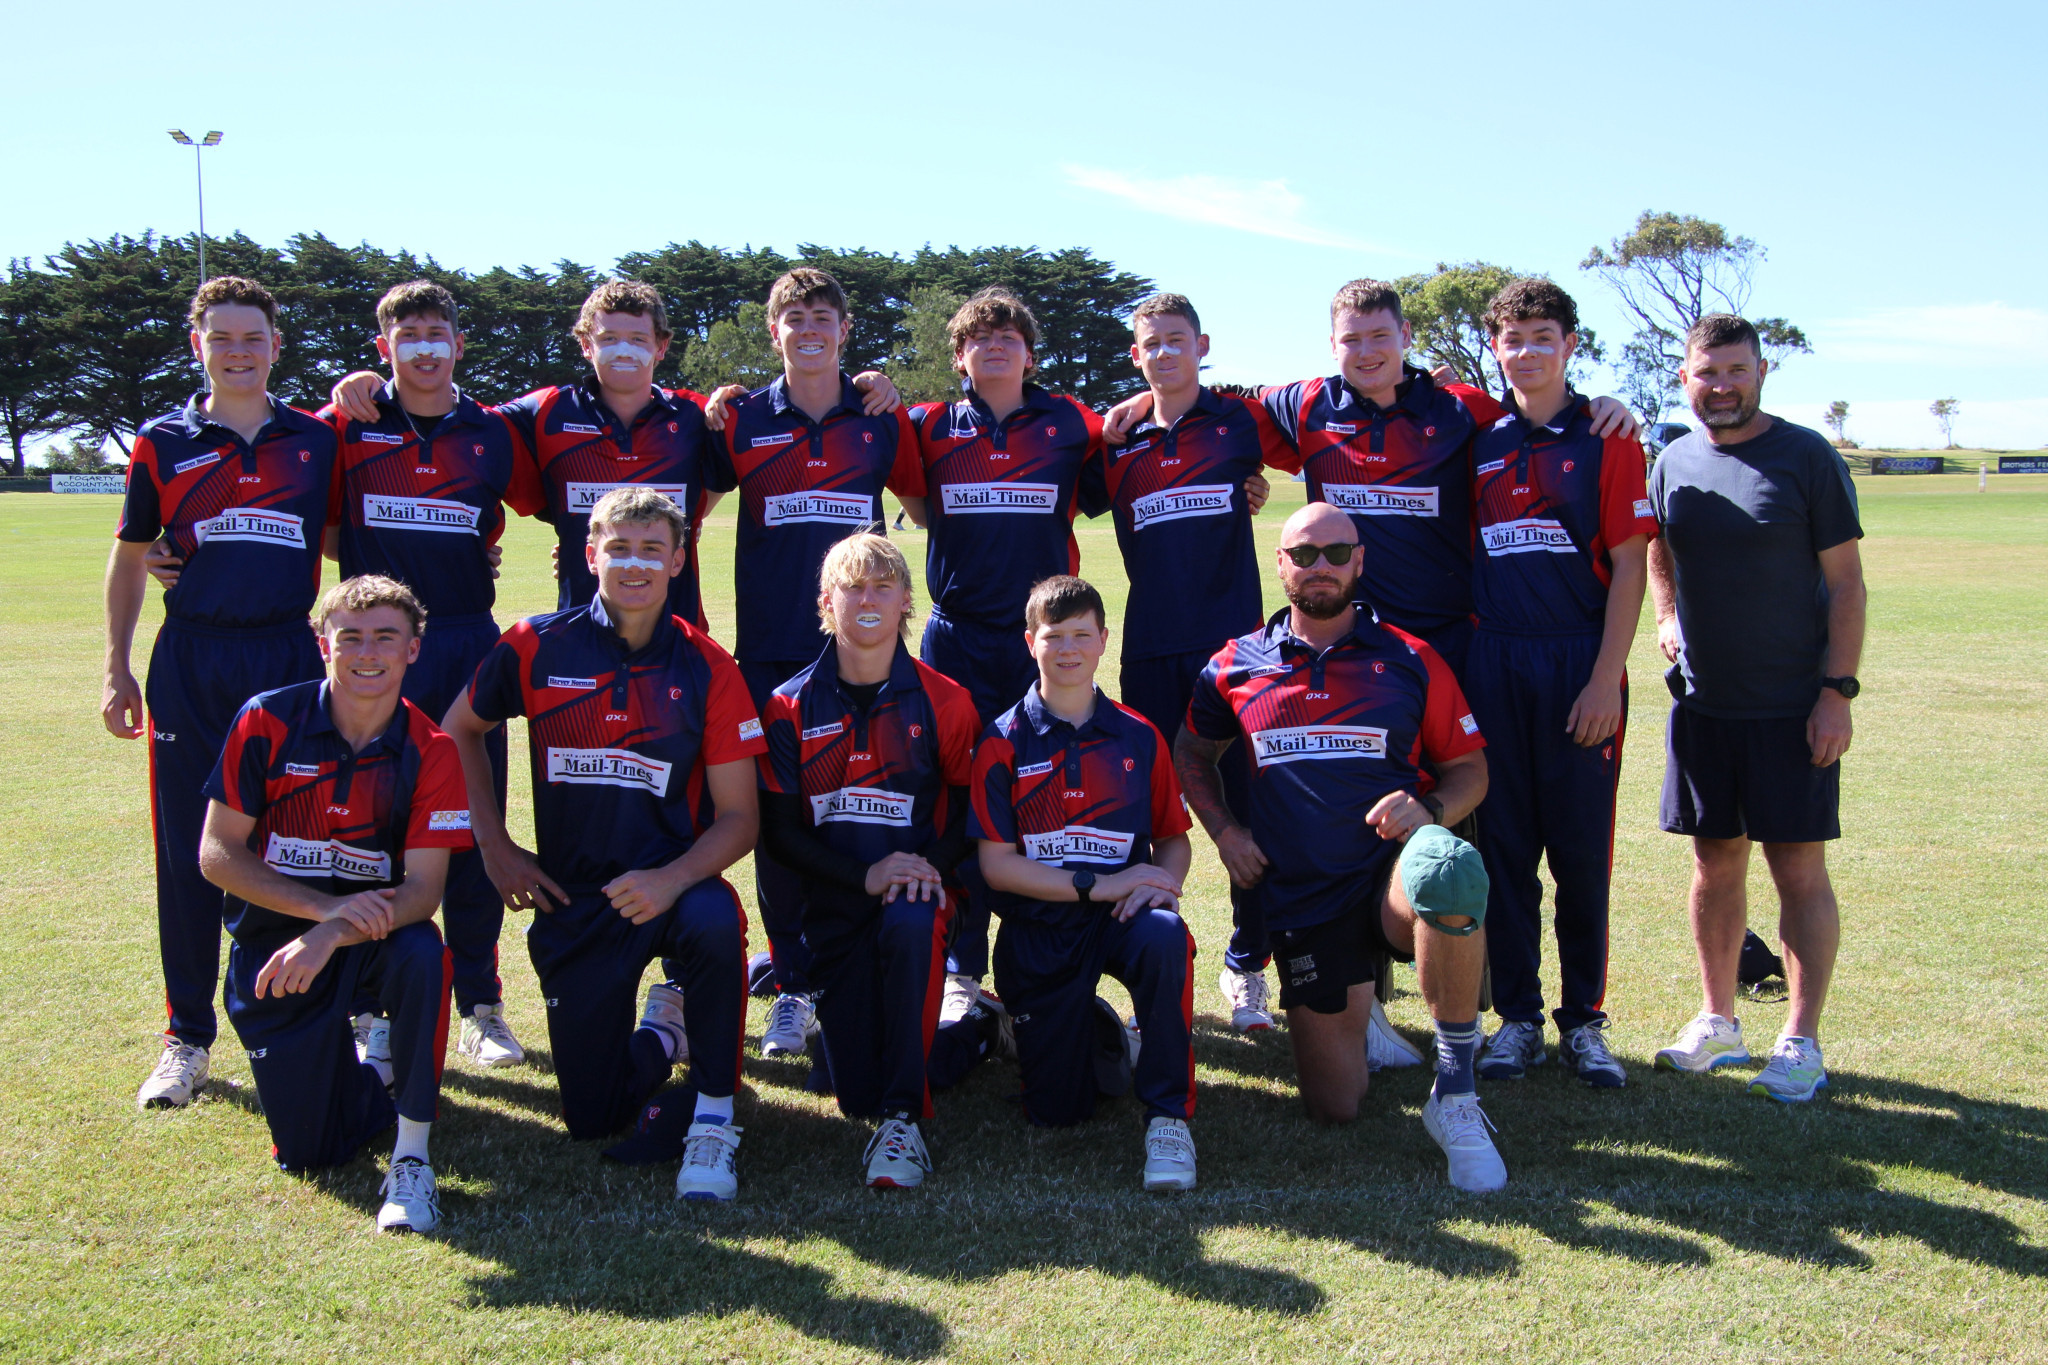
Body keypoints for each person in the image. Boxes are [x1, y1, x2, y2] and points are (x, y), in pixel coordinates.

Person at [441, 488, 762, 1199]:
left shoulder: (708, 666)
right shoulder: (535, 643)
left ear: (679, 559)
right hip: (576, 898)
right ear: (590, 554)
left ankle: (713, 1114)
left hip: (670, 887)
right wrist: (494, 845)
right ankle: (663, 1035)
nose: (635, 564)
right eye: (618, 547)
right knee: (593, 1117)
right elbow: (458, 728)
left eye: (653, 548)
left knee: (714, 918)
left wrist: (672, 880)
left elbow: (740, 818)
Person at [1177, 503, 1508, 1192]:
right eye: (1303, 554)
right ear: (1280, 564)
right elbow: (1192, 753)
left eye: (1335, 553)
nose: (1319, 567)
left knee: (1447, 866)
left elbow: (1471, 769)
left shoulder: (1411, 658)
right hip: (1305, 896)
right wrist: (1226, 832)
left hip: (1392, 876)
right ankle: (1364, 1023)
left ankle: (1455, 1089)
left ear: (1360, 560)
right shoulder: (1234, 664)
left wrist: (1430, 809)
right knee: (1336, 1106)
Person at [103, 275, 337, 1110]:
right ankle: (187, 1037)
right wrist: (116, 667)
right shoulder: (162, 441)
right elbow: (132, 557)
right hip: (192, 659)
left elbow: (353, 533)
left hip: (286, 657)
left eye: (253, 338)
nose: (238, 352)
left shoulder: (315, 440)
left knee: (300, 839)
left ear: (277, 345)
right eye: (222, 338)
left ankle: (318, 1010)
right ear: (197, 345)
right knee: (187, 852)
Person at [196, 575, 468, 1232]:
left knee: (422, 953)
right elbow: (217, 853)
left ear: (413, 650)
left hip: (372, 941)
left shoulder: (432, 750)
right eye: (349, 636)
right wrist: (320, 912)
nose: (366, 652)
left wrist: (327, 933)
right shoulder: (267, 718)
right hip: (273, 947)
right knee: (312, 1151)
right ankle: (369, 1073)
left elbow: (422, 893)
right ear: (323, 644)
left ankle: (412, 1158)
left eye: (385, 637)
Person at [705, 267, 923, 1060]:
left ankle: (867, 958)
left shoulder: (881, 417)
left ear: (844, 327)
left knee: (867, 802)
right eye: (792, 316)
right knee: (778, 821)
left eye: (822, 315)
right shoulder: (737, 418)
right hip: (770, 651)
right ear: (773, 331)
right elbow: (686, 505)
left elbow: (928, 506)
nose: (808, 327)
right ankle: (793, 985)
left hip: (863, 651)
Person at [1647, 313, 1865, 1104]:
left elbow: (1846, 583)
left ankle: (1800, 1042)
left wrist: (1835, 693)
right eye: (1709, 373)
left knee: (1799, 870)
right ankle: (1718, 1021)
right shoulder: (1671, 461)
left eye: (1737, 371)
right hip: (1705, 706)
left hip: (1792, 707)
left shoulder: (1806, 456)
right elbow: (1658, 547)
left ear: (1762, 371)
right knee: (1713, 863)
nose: (1723, 386)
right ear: (1687, 378)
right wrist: (1666, 615)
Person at [320, 280, 529, 1069]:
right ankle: (372, 1005)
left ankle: (479, 1003)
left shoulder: (493, 432)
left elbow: (539, 502)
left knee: (472, 822)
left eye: (438, 331)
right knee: (374, 824)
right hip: (380, 648)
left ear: (459, 344)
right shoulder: (347, 424)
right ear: (383, 349)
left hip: (467, 641)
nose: (425, 345)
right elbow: (296, 490)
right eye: (407, 333)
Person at [1461, 280, 1659, 1089]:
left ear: (1571, 343)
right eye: (1513, 337)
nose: (1528, 350)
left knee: (1580, 854)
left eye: (1544, 335)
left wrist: (1606, 678)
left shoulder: (1609, 437)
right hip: (1495, 661)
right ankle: (1516, 1020)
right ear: (1497, 347)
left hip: (1579, 660)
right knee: (1503, 850)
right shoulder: (1475, 433)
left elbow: (1630, 564)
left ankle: (1584, 1021)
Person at [1096, 293, 1301, 1039]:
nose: (1164, 352)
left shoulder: (1239, 422)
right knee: (1143, 813)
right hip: (1149, 646)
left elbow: (1324, 424)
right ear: (1136, 354)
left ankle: (1248, 965)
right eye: (1151, 343)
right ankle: (1138, 967)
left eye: (1176, 340)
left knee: (1250, 804)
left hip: (1236, 652)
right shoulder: (1113, 438)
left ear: (1202, 344)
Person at [756, 533, 987, 1188]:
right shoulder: (788, 705)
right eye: (853, 586)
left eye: (882, 586)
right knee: (848, 1086)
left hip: (917, 898)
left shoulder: (945, 700)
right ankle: (973, 1034)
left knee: (912, 917)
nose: (867, 598)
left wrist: (920, 868)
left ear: (906, 602)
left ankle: (902, 1122)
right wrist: (864, 875)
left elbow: (970, 816)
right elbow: (778, 834)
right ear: (826, 602)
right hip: (837, 904)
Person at [970, 576, 1200, 1193]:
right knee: (1059, 1112)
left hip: (1122, 920)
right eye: (1054, 637)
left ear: (1103, 641)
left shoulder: (1138, 735)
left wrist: (1162, 886)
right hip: (1039, 928)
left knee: (1166, 936)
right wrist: (1094, 885)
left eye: (1081, 635)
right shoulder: (1001, 742)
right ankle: (1067, 1027)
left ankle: (1168, 1116)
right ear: (1029, 642)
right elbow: (995, 865)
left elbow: (1173, 837)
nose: (1067, 649)